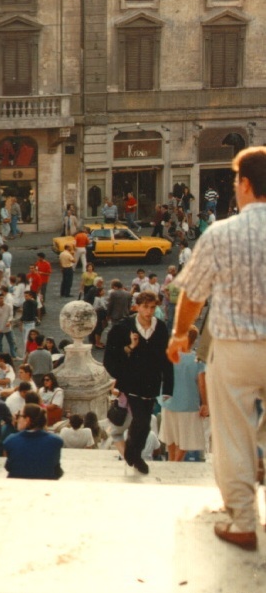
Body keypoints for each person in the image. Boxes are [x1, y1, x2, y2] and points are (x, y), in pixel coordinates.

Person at [166, 146, 266, 550]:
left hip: (235, 347)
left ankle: (243, 520)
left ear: (244, 184)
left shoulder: (222, 233)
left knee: (231, 433)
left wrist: (180, 334)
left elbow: (193, 293)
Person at [104, 290, 173, 476]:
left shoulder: (160, 328)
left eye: (152, 307)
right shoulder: (123, 327)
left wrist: (168, 387)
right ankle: (134, 456)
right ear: (137, 306)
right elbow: (110, 356)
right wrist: (130, 347)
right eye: (145, 307)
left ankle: (132, 455)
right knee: (141, 421)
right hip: (130, 382)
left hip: (151, 383)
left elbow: (166, 358)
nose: (149, 311)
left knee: (145, 425)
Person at [159, 326, 207, 462]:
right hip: (188, 404)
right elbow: (202, 383)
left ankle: (171, 461)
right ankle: (176, 462)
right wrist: (205, 403)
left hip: (168, 402)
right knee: (186, 438)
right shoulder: (197, 360)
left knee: (171, 436)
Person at [3, 404, 64, 479]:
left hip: (17, 485)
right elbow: (56, 469)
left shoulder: (10, 440)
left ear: (27, 419)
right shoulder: (56, 441)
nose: (17, 419)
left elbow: (8, 467)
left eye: (19, 416)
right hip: (46, 486)